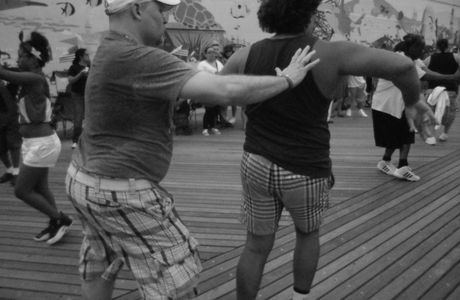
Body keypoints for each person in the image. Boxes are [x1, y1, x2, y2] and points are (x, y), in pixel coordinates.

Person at [65, 0, 319, 299]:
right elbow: (224, 91)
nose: (167, 17)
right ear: (136, 10)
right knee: (175, 278)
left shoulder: (110, 48)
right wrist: (287, 78)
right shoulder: (137, 57)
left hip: (84, 177)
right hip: (120, 191)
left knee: (101, 261)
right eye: (160, 9)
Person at [220, 1, 436, 299]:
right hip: (305, 167)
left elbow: (216, 90)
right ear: (308, 15)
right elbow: (401, 66)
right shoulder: (329, 53)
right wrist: (412, 100)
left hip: (256, 162)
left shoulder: (246, 53)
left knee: (255, 245)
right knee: (307, 234)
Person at [0, 31, 73, 244]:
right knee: (40, 188)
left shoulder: (35, 78)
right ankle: (54, 221)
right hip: (35, 143)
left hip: (42, 144)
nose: (18, 58)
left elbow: (4, 74)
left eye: (22, 55)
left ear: (33, 59)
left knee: (21, 190)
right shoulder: (31, 78)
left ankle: (60, 219)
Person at [423, 38, 460, 142]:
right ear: (448, 46)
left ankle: (430, 133)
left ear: (436, 47)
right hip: (450, 88)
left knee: (430, 112)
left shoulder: (429, 58)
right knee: (450, 112)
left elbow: (421, 70)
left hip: (433, 90)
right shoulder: (456, 57)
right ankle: (444, 133)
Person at [197, 45, 224, 136]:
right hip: (207, 89)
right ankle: (205, 128)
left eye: (213, 52)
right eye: (209, 52)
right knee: (209, 109)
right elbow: (200, 76)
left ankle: (213, 126)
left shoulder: (219, 63)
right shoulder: (202, 64)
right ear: (205, 54)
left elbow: (223, 73)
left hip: (217, 89)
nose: (211, 54)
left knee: (216, 110)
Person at [67, 48, 90, 149]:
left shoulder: (90, 66)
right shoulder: (74, 67)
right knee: (79, 117)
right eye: (86, 55)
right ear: (81, 56)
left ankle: (89, 139)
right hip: (77, 95)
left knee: (90, 117)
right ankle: (76, 140)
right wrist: (80, 74)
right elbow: (70, 80)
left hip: (89, 95)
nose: (88, 56)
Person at [0, 78, 21, 186]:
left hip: (11, 116)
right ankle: (10, 170)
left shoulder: (10, 76)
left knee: (14, 144)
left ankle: (17, 172)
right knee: (0, 148)